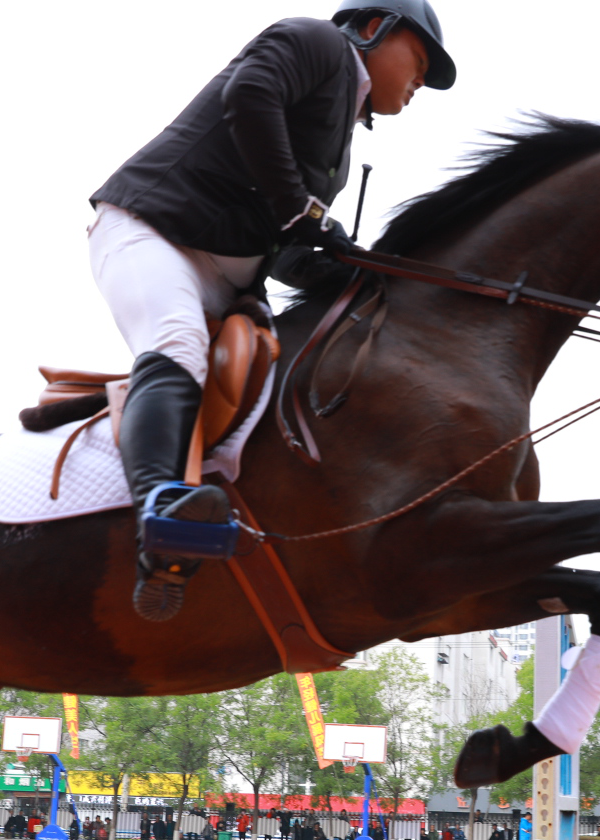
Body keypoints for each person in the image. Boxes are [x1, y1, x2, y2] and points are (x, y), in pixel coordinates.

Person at [87, 2, 455, 620]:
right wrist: (305, 214)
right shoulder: (316, 42)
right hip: (152, 232)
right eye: (418, 62)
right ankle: (161, 515)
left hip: (226, 277)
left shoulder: (336, 144)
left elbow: (280, 246)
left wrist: (345, 268)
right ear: (373, 29)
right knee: (177, 342)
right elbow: (250, 92)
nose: (420, 83)